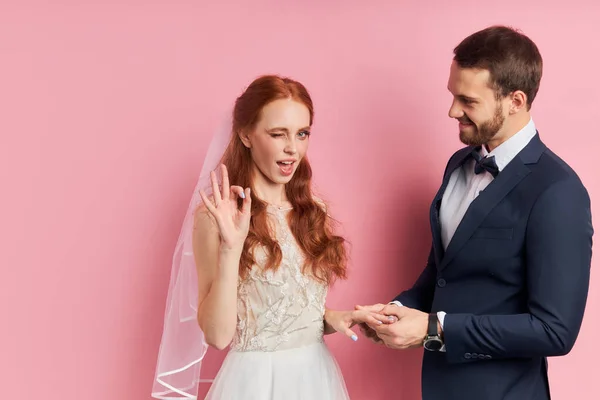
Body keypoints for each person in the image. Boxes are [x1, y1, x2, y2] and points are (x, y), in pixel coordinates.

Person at [358, 25, 594, 400]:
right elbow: (445, 272)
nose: (452, 111)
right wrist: (397, 309)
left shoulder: (558, 191)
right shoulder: (458, 163)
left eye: (468, 101)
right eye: (453, 95)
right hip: (437, 388)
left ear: (515, 100)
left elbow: (555, 331)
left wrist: (434, 329)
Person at [152, 74, 385, 400]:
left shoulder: (311, 209)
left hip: (315, 376)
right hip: (257, 383)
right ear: (246, 135)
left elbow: (286, 307)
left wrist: (331, 316)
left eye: (302, 134)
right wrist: (231, 248)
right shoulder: (217, 217)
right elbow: (218, 336)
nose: (292, 148)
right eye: (278, 134)